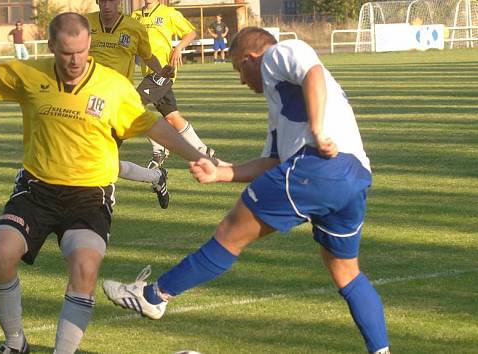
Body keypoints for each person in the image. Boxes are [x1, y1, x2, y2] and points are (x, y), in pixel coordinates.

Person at [0, 13, 211, 354]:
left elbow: (153, 126)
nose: (75, 60)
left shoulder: (113, 87)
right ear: (51, 47)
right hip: (36, 189)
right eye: (66, 53)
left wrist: (194, 154)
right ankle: (16, 343)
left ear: (89, 44)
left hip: (90, 195)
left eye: (80, 51)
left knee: (84, 266)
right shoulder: (29, 74)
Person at [103, 27, 391, 354]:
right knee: (347, 273)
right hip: (354, 177)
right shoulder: (281, 107)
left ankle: (152, 296)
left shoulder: (277, 54)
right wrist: (221, 173)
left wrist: (317, 128)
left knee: (230, 234)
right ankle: (381, 351)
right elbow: (273, 162)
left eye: (238, 69)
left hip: (317, 166)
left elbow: (311, 71)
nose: (242, 80)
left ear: (250, 59)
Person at [87, 0, 176, 209]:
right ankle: (156, 176)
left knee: (103, 157)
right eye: (103, 1)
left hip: (118, 105)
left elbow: (147, 56)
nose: (107, 6)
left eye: (112, 1)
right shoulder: (85, 23)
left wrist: (161, 71)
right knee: (99, 161)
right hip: (88, 101)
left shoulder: (134, 28)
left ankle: (106, 199)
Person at [132, 0, 215, 169]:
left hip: (165, 70)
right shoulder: (135, 16)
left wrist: (178, 49)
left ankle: (159, 148)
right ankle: (202, 149)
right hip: (148, 72)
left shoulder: (168, 13)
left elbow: (191, 33)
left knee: (134, 105)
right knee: (171, 116)